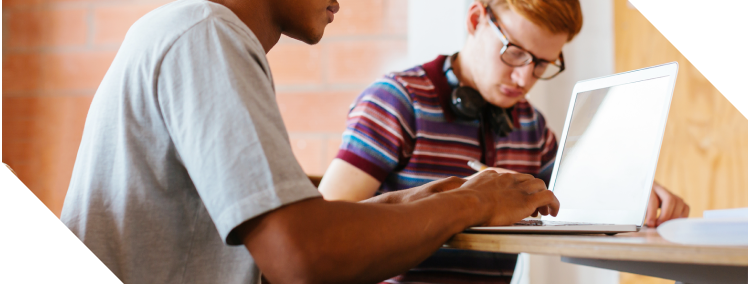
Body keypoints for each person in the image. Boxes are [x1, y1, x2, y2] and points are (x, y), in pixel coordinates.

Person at [59, 0, 562, 283]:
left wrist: (423, 199)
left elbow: (301, 226)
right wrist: (474, 202)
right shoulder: (206, 36)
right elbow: (300, 256)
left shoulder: (196, 32)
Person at [319, 0, 690, 282]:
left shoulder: (530, 123)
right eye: (514, 53)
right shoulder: (398, 100)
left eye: (542, 64)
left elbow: (575, 191)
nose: (524, 78)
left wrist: (637, 193)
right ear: (476, 19)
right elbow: (329, 224)